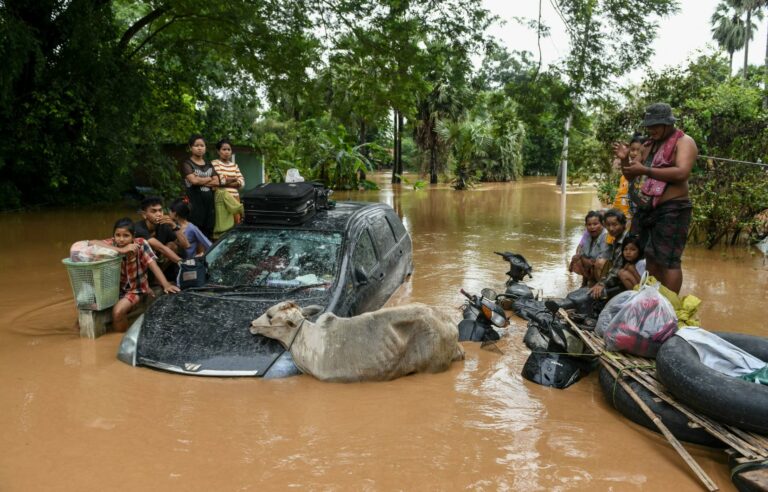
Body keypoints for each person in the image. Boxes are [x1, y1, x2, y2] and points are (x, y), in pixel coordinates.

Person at [614, 103, 696, 294]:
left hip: (673, 209)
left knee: (669, 260)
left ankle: (671, 306)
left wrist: (646, 170)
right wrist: (625, 159)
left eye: (656, 125)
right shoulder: (648, 145)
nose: (651, 130)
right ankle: (654, 300)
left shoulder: (684, 142)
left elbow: (682, 173)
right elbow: (631, 175)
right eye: (649, 126)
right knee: (651, 256)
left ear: (668, 123)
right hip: (648, 209)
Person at [93, 218, 180, 331]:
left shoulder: (141, 244)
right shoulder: (113, 244)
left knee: (118, 312)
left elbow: (152, 265)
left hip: (135, 289)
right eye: (117, 235)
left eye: (126, 235)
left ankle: (120, 341)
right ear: (113, 236)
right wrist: (120, 250)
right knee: (82, 319)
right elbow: (91, 243)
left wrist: (166, 284)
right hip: (116, 290)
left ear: (133, 236)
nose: (121, 239)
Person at [182, 134, 228, 239]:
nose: (199, 148)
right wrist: (208, 178)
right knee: (195, 234)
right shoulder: (187, 164)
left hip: (210, 207)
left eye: (202, 145)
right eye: (196, 145)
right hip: (194, 206)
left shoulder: (209, 164)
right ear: (190, 147)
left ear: (205, 148)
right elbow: (193, 181)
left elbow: (217, 182)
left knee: (208, 234)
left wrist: (200, 180)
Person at [133, 196, 189, 273]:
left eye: (160, 210)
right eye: (154, 211)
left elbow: (186, 245)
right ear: (144, 215)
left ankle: (157, 278)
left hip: (157, 263)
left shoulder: (164, 225)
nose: (159, 214)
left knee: (173, 245)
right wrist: (183, 263)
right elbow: (160, 248)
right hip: (140, 267)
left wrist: (174, 226)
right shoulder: (138, 228)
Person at [590, 208, 628, 299]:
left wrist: (602, 284)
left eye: (615, 224)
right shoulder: (617, 239)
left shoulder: (625, 241)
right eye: (608, 225)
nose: (611, 228)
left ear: (623, 225)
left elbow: (617, 269)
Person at [612, 133, 646, 227]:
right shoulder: (628, 171)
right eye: (632, 150)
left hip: (642, 218)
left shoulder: (648, 170)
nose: (634, 153)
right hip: (627, 217)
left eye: (638, 150)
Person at [569, 210, 609, 286]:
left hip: (603, 266)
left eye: (595, 224)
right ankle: (586, 282)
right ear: (586, 225)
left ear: (602, 224)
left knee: (599, 263)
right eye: (589, 224)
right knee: (576, 260)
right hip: (591, 260)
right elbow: (581, 248)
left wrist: (587, 260)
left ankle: (600, 284)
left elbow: (603, 256)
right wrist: (578, 256)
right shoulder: (587, 234)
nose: (592, 227)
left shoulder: (605, 235)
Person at [211, 138, 245, 223]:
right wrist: (234, 179)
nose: (227, 152)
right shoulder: (215, 163)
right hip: (223, 199)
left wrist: (226, 182)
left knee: (236, 222)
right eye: (224, 149)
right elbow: (220, 180)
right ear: (218, 151)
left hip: (235, 198)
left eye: (229, 149)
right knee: (224, 224)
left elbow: (242, 183)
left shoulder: (234, 165)